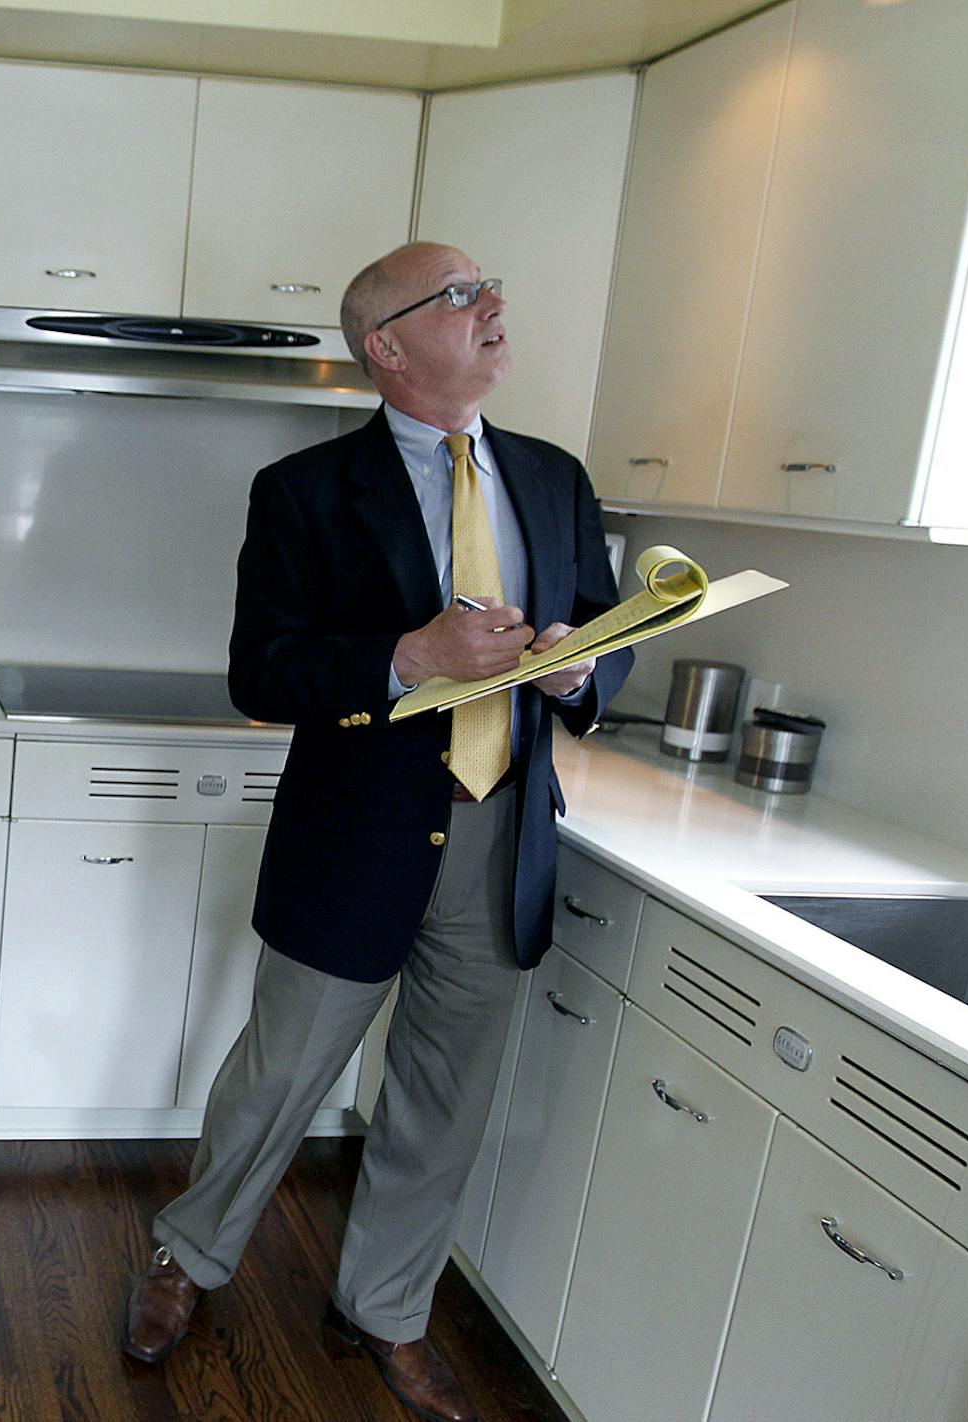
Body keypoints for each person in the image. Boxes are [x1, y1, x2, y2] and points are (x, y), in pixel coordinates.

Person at [121, 242, 631, 1422]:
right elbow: (264, 670)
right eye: (459, 294)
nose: (492, 302)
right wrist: (412, 658)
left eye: (489, 284)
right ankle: (187, 1261)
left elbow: (606, 630)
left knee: (442, 1096)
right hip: (354, 835)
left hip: (503, 833)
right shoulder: (302, 492)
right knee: (282, 1074)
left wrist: (576, 675)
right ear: (387, 347)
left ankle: (387, 1308)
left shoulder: (555, 478)